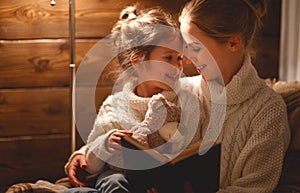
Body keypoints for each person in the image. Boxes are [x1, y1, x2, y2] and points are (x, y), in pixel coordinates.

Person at [64, 4, 199, 193]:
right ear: (139, 61)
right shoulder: (114, 106)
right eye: (168, 57)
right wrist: (105, 144)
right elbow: (90, 163)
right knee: (110, 181)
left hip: (162, 185)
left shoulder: (184, 99)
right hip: (115, 181)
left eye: (180, 58)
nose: (177, 67)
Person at [175, 0, 291, 192]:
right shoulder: (182, 91)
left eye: (195, 48)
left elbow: (253, 188)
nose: (186, 59)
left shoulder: (268, 111)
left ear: (233, 43)